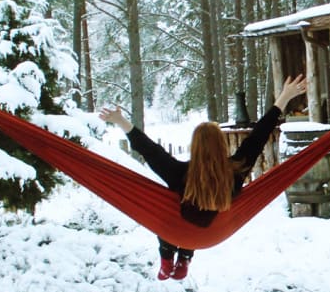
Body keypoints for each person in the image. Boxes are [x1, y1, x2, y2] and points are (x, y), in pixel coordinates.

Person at [98, 75, 308, 280]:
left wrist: (120, 120)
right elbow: (259, 135)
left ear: (195, 146)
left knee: (168, 212)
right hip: (211, 234)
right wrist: (284, 97)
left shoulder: (178, 172)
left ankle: (167, 258)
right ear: (221, 144)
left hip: (178, 231)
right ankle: (184, 259)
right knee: (186, 217)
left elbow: (149, 149)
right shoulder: (236, 169)